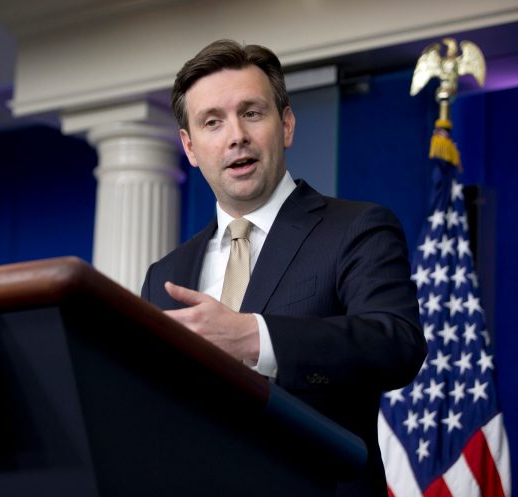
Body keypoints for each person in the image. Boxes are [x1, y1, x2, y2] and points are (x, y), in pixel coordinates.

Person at [141, 39, 427, 496]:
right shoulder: (165, 274)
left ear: (286, 125)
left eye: (252, 113)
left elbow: (396, 343)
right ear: (190, 147)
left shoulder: (356, 228)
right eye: (212, 122)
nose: (236, 135)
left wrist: (254, 337)